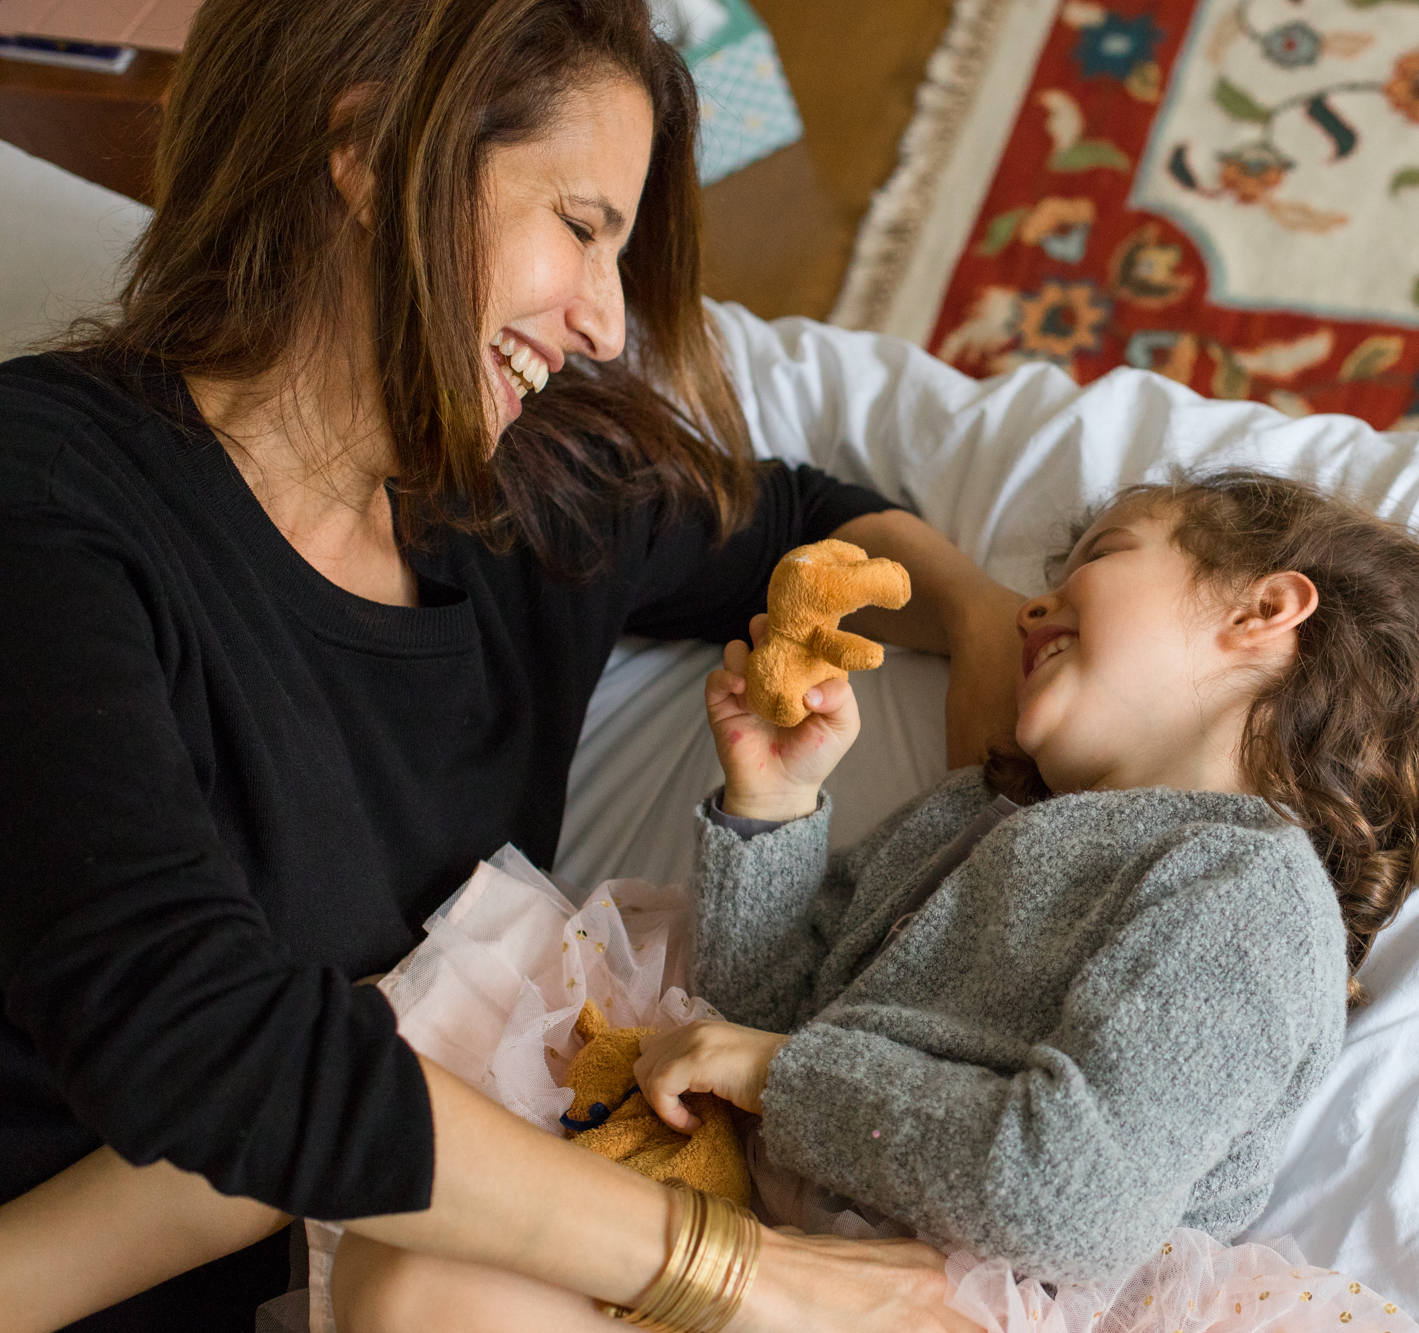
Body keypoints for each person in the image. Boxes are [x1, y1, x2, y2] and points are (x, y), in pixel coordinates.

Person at [0, 1, 1021, 1330]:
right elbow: (200, 1043)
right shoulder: (45, 499)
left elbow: (790, 521)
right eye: (581, 227)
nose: (603, 322)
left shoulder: (527, 503)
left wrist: (991, 618)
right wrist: (746, 1274)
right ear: (367, 152)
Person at [332, 469, 1419, 1329]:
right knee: (415, 1268)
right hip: (770, 1230)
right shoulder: (973, 816)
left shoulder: (1244, 890)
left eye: (1102, 552)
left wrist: (779, 1073)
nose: (1038, 608)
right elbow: (760, 1013)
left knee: (430, 1282)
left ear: (1261, 611)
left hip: (952, 1295)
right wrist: (773, 811)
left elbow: (1071, 1193)